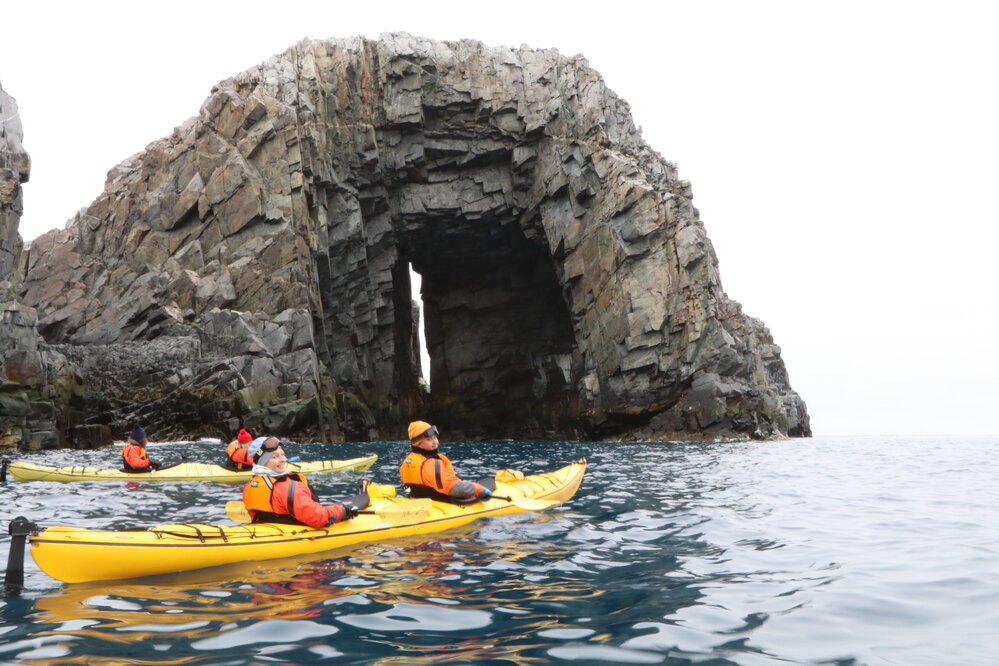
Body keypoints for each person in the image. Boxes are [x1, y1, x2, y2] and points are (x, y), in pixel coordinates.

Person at [242, 436, 362, 528]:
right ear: (263, 462)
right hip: (297, 533)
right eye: (275, 457)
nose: (283, 460)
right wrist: (341, 511)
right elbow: (318, 518)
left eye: (282, 454)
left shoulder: (251, 485)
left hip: (268, 531)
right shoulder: (288, 488)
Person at [399, 421, 493, 503]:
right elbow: (452, 487)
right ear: (418, 444)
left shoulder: (407, 462)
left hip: (417, 500)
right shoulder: (430, 464)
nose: (434, 442)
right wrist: (479, 490)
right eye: (428, 440)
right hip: (439, 501)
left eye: (435, 438)